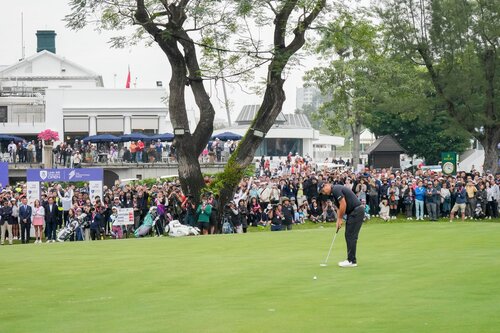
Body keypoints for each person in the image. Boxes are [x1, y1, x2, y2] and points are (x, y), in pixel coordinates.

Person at [321, 183, 364, 268]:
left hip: (356, 211)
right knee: (349, 235)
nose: (324, 193)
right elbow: (339, 208)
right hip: (353, 213)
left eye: (323, 190)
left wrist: (340, 218)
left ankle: (351, 261)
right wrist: (338, 221)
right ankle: (351, 259)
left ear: (327, 185)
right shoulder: (333, 194)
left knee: (351, 236)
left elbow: (343, 204)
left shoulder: (336, 189)